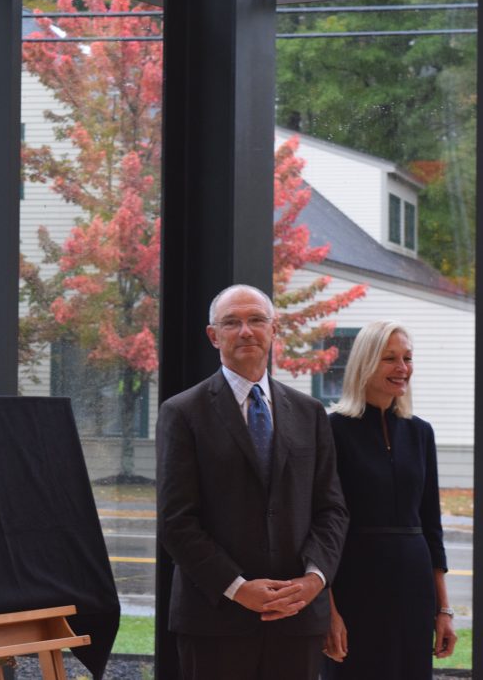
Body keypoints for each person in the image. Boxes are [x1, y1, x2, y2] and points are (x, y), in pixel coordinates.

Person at [157, 283, 349, 679]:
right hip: (215, 619)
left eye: (257, 320)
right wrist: (238, 588)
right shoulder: (183, 413)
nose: (246, 331)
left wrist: (313, 581)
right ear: (214, 336)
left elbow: (331, 509)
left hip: (297, 618)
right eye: (232, 322)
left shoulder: (310, 413)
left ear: (274, 329)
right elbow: (176, 521)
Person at [321, 319, 456, 679]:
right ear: (365, 362)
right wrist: (328, 611)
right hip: (354, 585)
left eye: (407, 358)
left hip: (414, 587)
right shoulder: (332, 430)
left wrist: (444, 610)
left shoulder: (421, 432)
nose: (402, 368)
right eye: (390, 358)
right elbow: (318, 527)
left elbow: (432, 526)